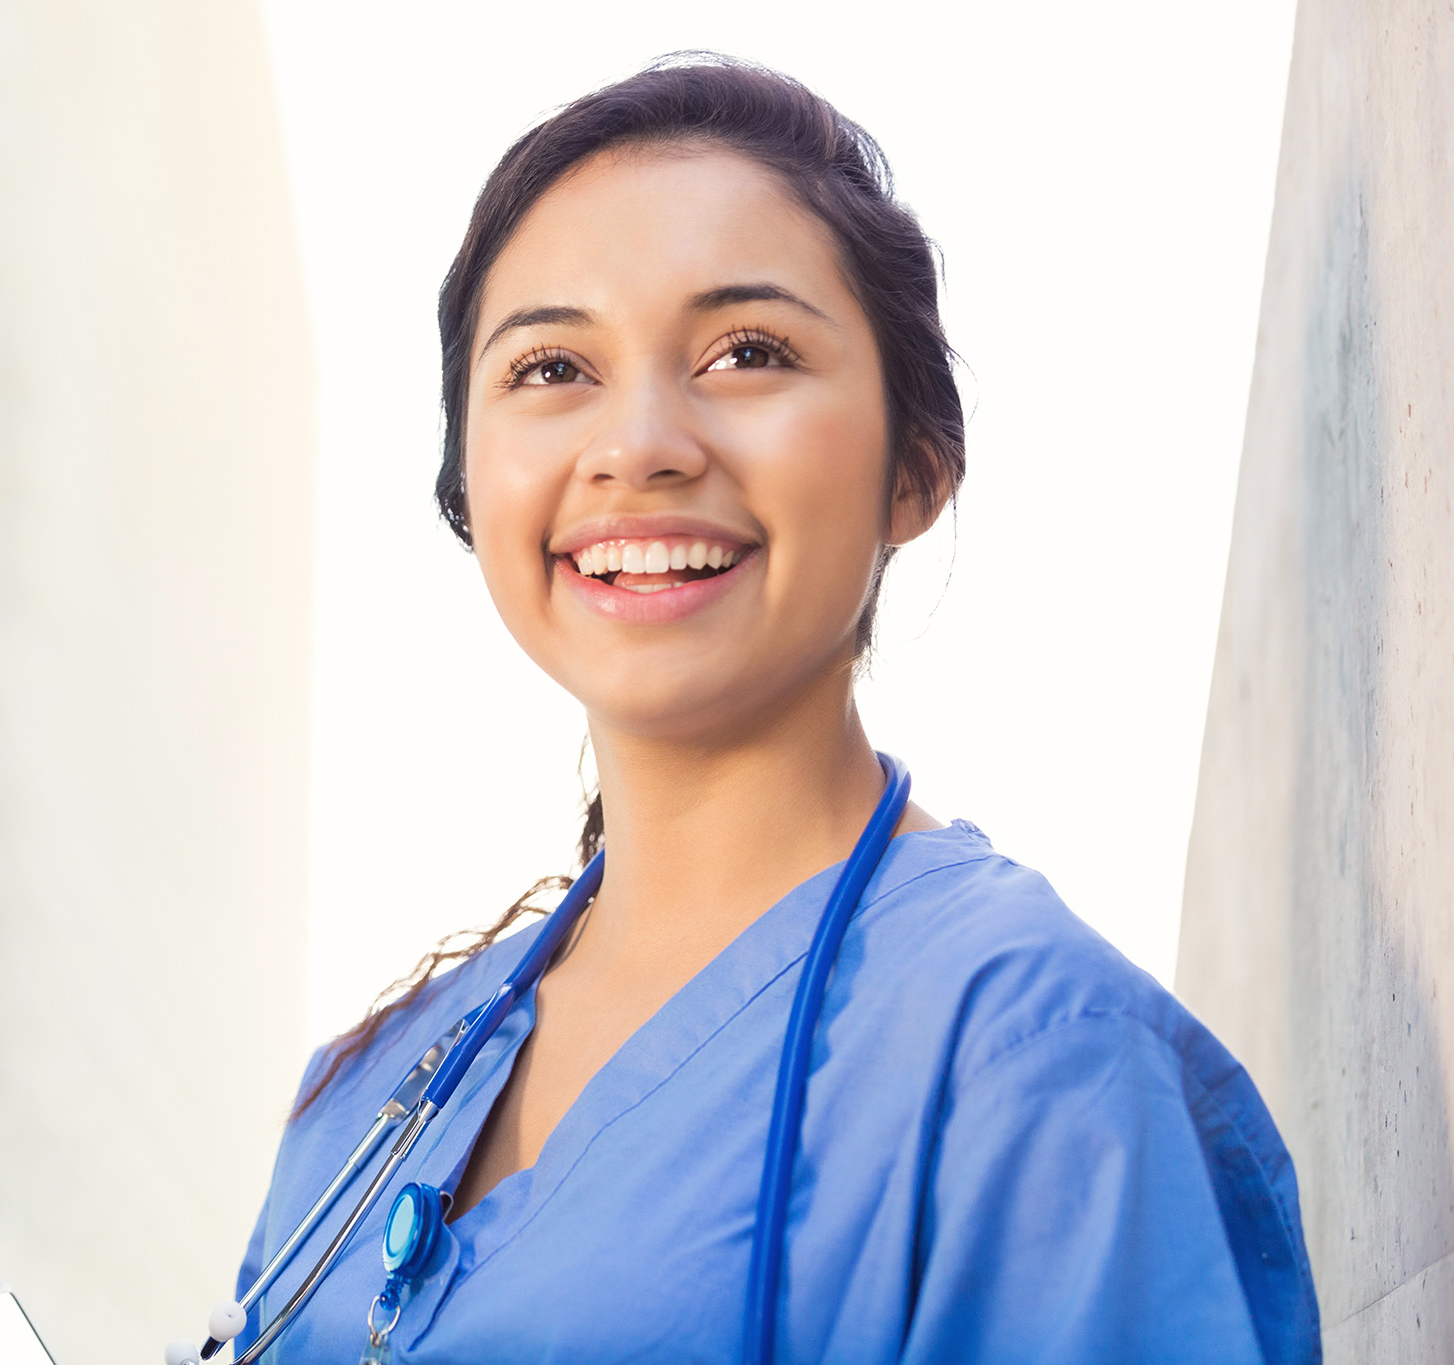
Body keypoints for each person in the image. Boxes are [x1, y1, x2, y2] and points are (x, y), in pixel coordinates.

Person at [231, 55, 1319, 1364]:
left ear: (916, 471)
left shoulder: (1041, 1068)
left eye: (748, 352)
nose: (639, 442)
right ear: (472, 480)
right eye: (552, 365)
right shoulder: (365, 1095)